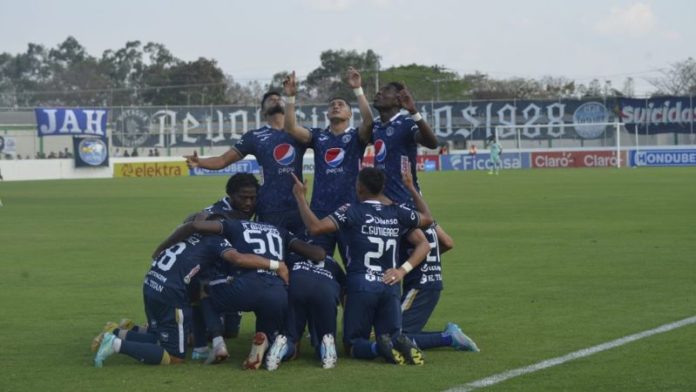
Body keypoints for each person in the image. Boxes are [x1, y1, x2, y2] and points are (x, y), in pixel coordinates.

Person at [153, 173, 325, 370]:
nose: (248, 203)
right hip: (271, 289)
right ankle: (212, 340)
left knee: (206, 295)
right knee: (265, 332)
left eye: (252, 198)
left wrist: (160, 250)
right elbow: (318, 254)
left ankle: (208, 342)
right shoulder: (278, 230)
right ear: (230, 195)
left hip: (242, 282)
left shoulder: (234, 224)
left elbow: (195, 225)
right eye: (243, 197)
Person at [92, 214, 286, 368]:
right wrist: (276, 264)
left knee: (160, 335)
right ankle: (115, 344)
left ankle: (117, 331)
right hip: (171, 293)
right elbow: (238, 259)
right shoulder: (216, 241)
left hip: (151, 284)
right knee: (175, 356)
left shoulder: (186, 237)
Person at [291, 167, 433, 365]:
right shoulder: (397, 212)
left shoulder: (351, 211)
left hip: (361, 285)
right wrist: (402, 270)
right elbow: (427, 221)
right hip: (390, 284)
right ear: (383, 187)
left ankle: (378, 348)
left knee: (353, 344)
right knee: (391, 335)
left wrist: (300, 197)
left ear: (358, 187)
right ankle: (395, 342)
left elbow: (315, 228)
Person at [282, 67, 373, 259]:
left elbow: (369, 122)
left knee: (354, 264)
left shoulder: (356, 136)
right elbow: (290, 127)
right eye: (332, 105)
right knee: (318, 263)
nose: (336, 106)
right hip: (320, 211)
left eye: (341, 104)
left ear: (350, 114)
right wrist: (290, 98)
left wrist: (358, 90)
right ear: (327, 114)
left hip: (351, 209)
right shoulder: (318, 136)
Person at [185, 91, 307, 234]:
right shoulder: (254, 136)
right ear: (263, 112)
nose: (275, 100)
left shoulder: (300, 134)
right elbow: (223, 160)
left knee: (302, 252)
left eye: (279, 99)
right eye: (270, 99)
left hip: (299, 206)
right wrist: (200, 162)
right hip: (268, 207)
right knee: (272, 253)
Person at [265, 253, 346, 370]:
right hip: (325, 292)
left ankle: (283, 344)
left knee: (291, 337)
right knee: (324, 337)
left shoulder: (293, 257)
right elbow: (345, 288)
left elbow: (279, 274)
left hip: (297, 287)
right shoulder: (333, 262)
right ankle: (326, 345)